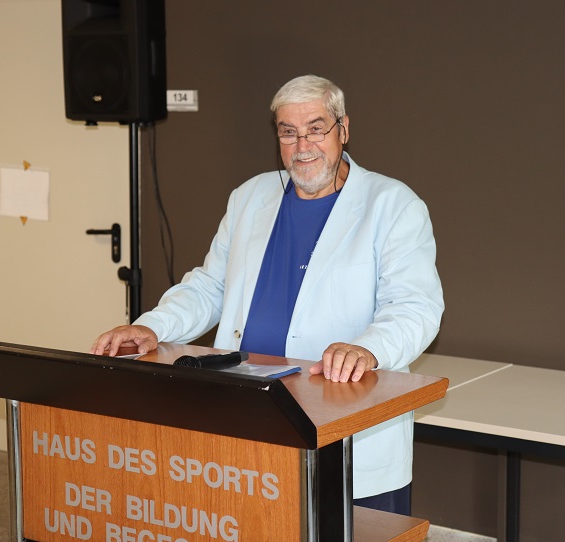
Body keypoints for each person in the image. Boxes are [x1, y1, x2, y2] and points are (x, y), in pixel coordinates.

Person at [90, 74, 444, 515]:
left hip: (344, 424)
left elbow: (416, 307)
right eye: (288, 132)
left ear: (344, 129)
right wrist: (151, 327)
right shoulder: (249, 197)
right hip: (249, 416)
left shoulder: (393, 204)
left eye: (316, 129)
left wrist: (368, 349)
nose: (303, 146)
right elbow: (210, 286)